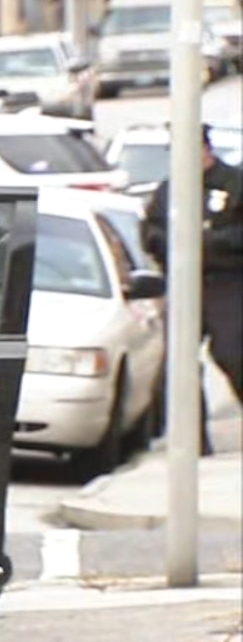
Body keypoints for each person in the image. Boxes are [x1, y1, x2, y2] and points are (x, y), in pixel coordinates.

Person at [140, 123, 243, 454]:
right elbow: (151, 231)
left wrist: (209, 241)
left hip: (227, 280)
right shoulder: (169, 190)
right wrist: (170, 245)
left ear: (205, 149)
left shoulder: (233, 183)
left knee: (231, 351)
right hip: (184, 281)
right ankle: (192, 440)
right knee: (179, 361)